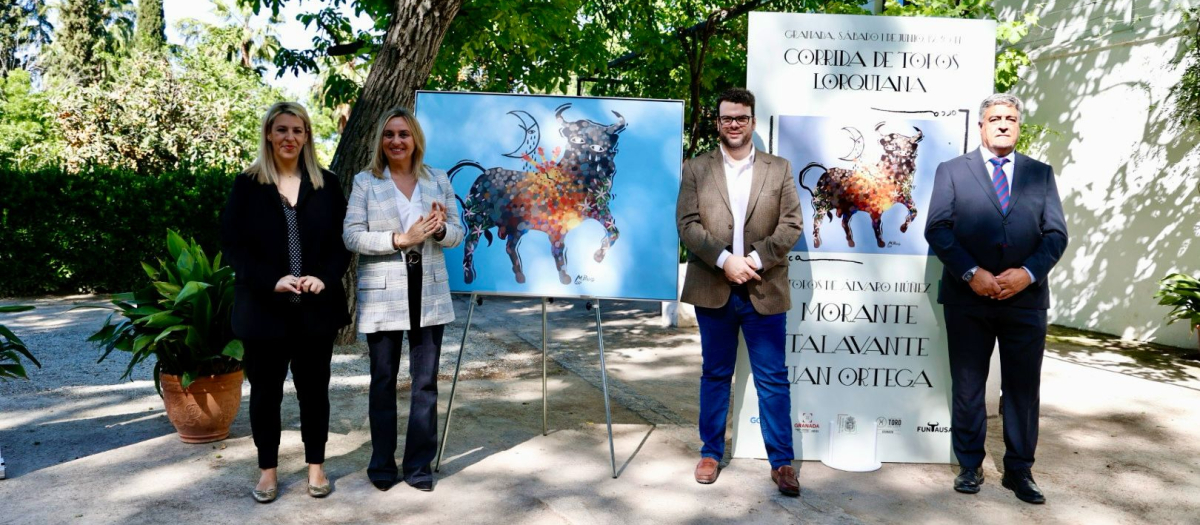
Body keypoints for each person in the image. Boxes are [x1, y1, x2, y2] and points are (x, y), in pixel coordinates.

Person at [925, 93, 1068, 504]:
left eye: (1010, 118)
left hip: (1025, 300)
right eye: (995, 118)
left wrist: (1027, 274)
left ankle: (1019, 471)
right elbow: (938, 228)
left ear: (1019, 125)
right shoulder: (952, 171)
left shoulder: (1041, 174)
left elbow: (1056, 234)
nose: (1003, 124)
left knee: (1022, 389)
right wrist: (972, 273)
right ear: (981, 126)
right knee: (969, 386)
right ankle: (969, 465)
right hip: (969, 298)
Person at [221, 101, 351, 503]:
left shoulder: (327, 184)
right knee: (265, 395)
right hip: (263, 311)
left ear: (307, 135)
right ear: (268, 135)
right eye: (281, 130)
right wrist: (269, 280)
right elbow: (233, 246)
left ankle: (316, 467)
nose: (289, 137)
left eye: (297, 130)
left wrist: (323, 278)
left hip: (314, 311)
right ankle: (267, 471)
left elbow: (340, 244)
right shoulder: (247, 184)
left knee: (315, 392)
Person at [676, 88, 804, 496]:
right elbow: (688, 224)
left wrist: (752, 260)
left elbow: (791, 225)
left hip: (763, 287)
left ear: (752, 122)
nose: (734, 124)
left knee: (773, 378)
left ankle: (782, 462)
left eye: (742, 118)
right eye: (727, 118)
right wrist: (723, 260)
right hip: (713, 288)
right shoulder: (696, 168)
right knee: (715, 374)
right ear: (717, 122)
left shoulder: (778, 168)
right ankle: (711, 452)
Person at [343, 107, 463, 492]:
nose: (396, 141)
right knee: (382, 381)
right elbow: (352, 236)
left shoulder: (438, 179)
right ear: (381, 140)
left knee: (425, 383)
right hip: (383, 294)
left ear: (416, 141)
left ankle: (418, 467)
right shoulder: (366, 182)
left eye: (403, 134)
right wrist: (400, 239)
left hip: (427, 289)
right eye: (389, 134)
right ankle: (382, 465)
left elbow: (458, 232)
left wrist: (441, 229)